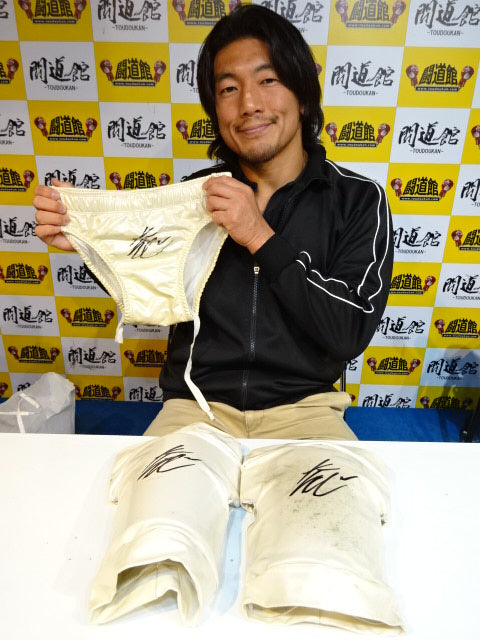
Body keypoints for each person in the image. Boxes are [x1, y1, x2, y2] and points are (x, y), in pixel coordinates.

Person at [33, 5, 393, 440]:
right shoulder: (194, 196)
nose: (249, 104)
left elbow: (349, 332)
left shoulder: (358, 199)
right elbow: (154, 293)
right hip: (194, 409)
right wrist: (90, 239)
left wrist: (260, 236)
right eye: (228, 88)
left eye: (267, 80)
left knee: (337, 491)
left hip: (307, 411)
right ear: (214, 110)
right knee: (150, 490)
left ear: (301, 95)